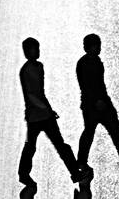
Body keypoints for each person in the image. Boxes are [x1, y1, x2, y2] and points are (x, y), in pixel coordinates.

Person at [18, 38, 92, 188]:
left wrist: (48, 109)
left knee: (54, 145)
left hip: (42, 115)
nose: (37, 51)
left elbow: (40, 93)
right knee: (41, 146)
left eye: (38, 48)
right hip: (37, 116)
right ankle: (24, 174)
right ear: (26, 52)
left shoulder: (39, 67)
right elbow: (32, 95)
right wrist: (47, 110)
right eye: (34, 49)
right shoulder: (26, 71)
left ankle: (74, 172)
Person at [76, 34, 119, 174]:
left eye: (99, 45)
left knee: (115, 132)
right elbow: (86, 86)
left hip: (102, 103)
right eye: (96, 45)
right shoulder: (84, 64)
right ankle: (82, 162)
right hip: (92, 106)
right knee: (91, 133)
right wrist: (97, 101)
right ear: (87, 48)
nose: (99, 48)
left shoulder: (96, 61)